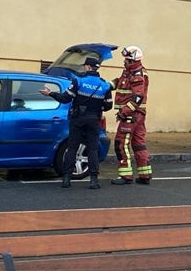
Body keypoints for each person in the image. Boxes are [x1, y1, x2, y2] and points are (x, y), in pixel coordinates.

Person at [40, 55, 112, 189]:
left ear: (88, 67)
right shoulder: (105, 85)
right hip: (94, 120)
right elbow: (108, 106)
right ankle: (94, 180)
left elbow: (65, 98)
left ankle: (67, 179)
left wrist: (50, 93)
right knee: (92, 149)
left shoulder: (78, 80)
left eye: (85, 66)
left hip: (78, 119)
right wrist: (96, 108)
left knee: (72, 148)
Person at [111, 45, 152, 185]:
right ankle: (145, 174)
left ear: (133, 60)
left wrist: (124, 112)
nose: (124, 62)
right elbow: (122, 83)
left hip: (131, 115)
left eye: (126, 60)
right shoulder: (130, 72)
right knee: (138, 143)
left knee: (121, 143)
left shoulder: (137, 74)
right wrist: (108, 85)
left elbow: (138, 97)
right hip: (138, 115)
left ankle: (125, 175)